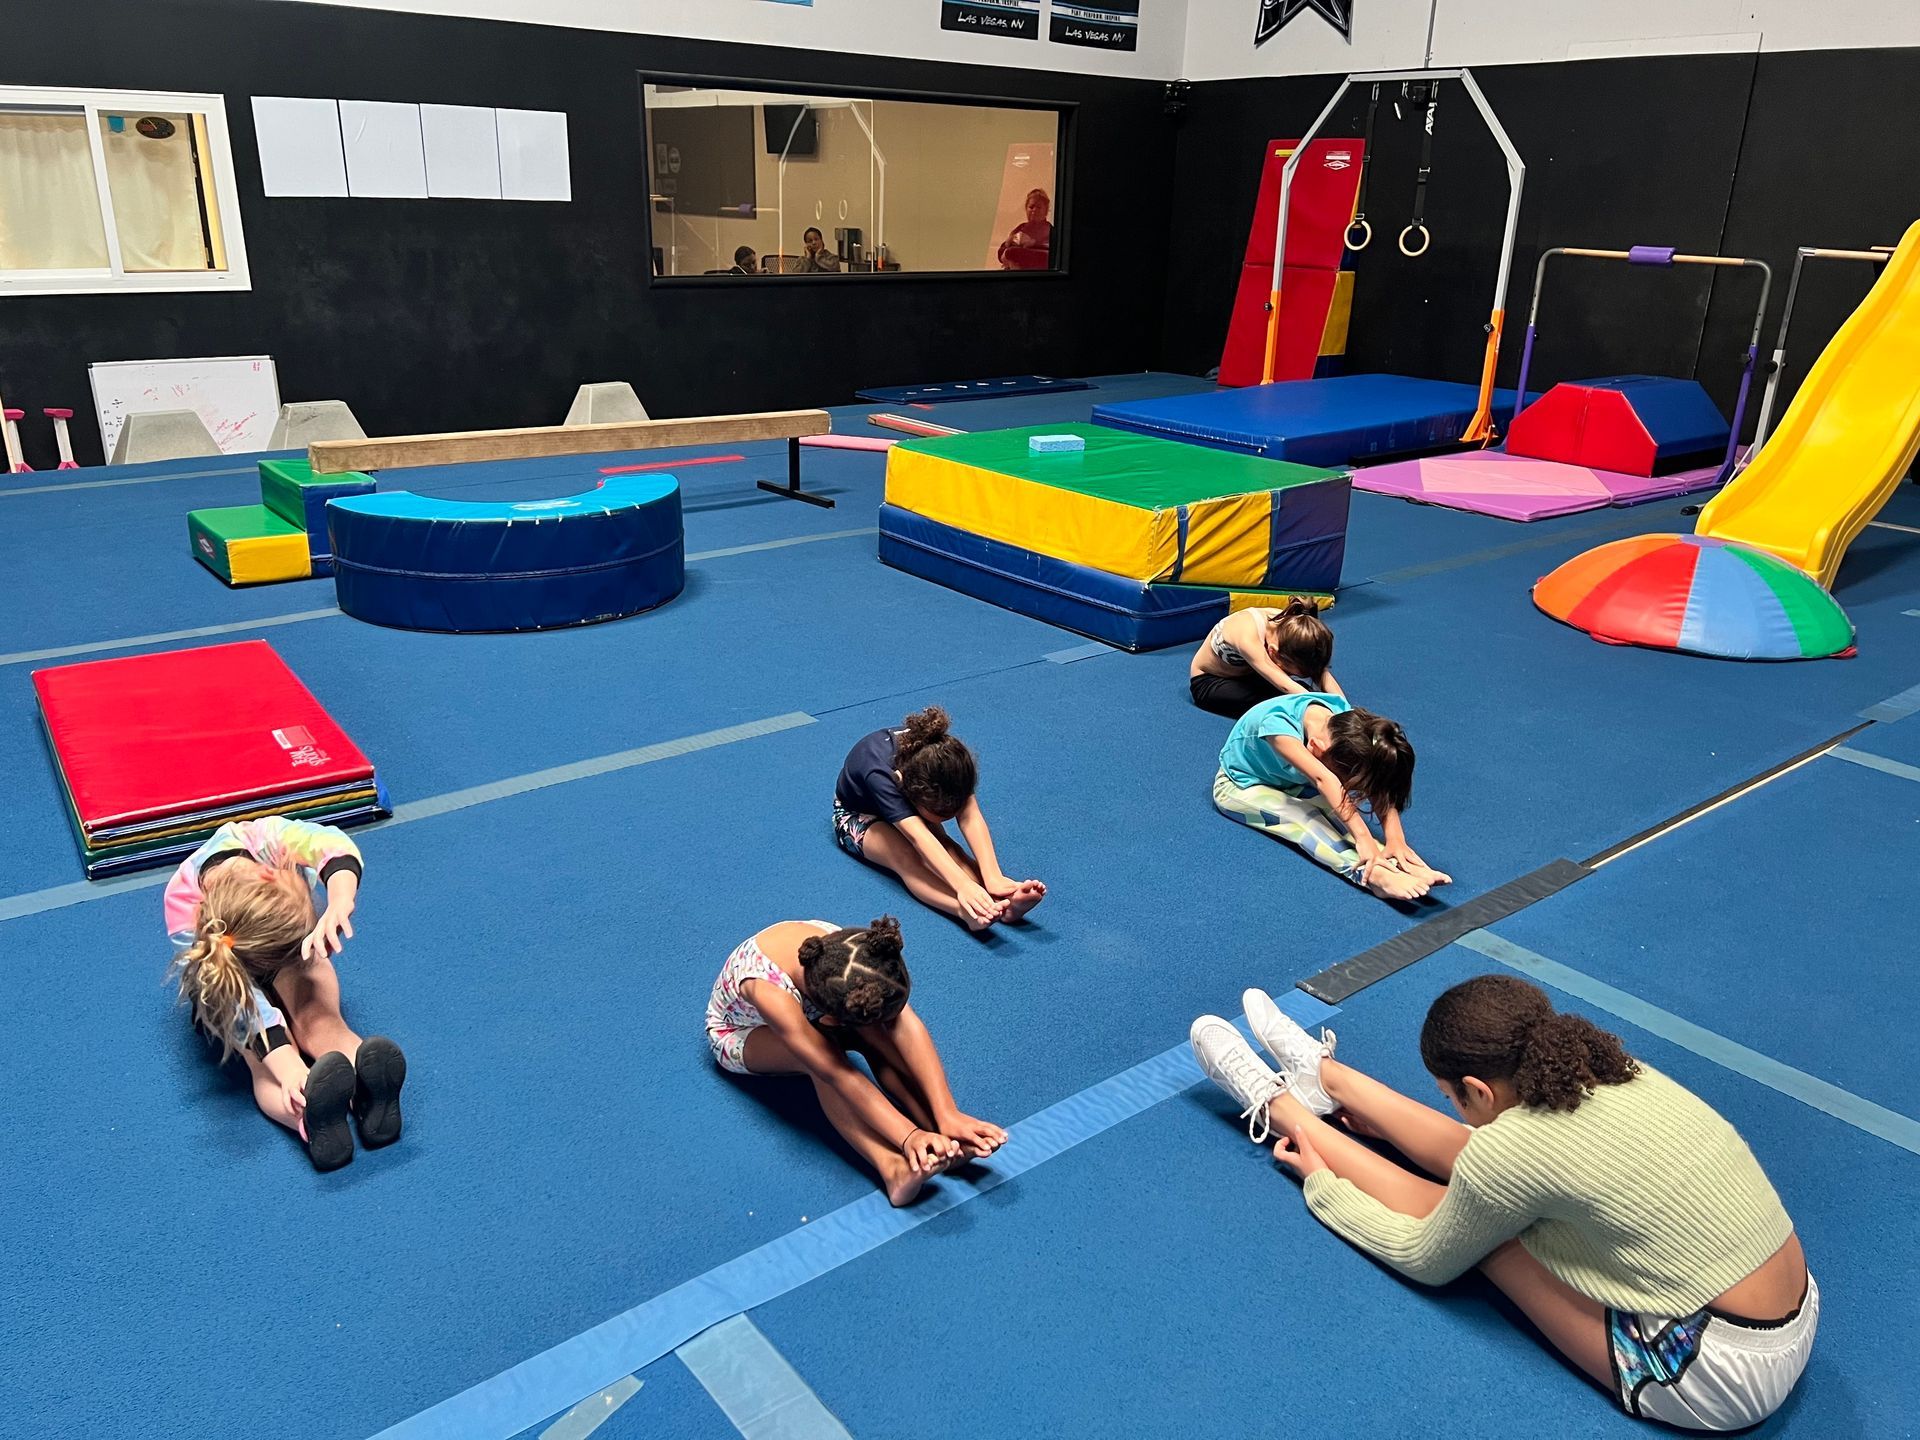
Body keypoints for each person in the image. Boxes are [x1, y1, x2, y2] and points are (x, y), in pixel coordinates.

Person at [1189, 975, 1816, 1431]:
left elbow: (1427, 1255)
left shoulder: (1511, 1148)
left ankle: (1286, 1111)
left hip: (1717, 1372)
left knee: (1493, 1238)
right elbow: (1512, 1155)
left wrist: (1323, 1185)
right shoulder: (1614, 1066)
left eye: (1447, 1094)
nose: (1448, 1104)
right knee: (1498, 1168)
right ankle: (1330, 1079)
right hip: (1796, 1308)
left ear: (1474, 1087)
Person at [706, 916, 1006, 1205]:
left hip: (812, 1009)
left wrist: (947, 1112)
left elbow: (905, 1024)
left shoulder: (849, 951)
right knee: (820, 1061)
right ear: (831, 1015)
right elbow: (839, 1074)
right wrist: (908, 1137)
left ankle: (940, 1133)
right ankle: (892, 1168)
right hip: (742, 1033)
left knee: (875, 1033)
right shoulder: (768, 991)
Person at [165, 816, 406, 1172]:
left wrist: (340, 899)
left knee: (320, 1021)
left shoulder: (264, 839)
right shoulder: (187, 912)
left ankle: (366, 1091)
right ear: (270, 872)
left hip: (287, 952)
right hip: (228, 979)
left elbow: (331, 845)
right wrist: (290, 1067)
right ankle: (306, 1118)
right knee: (266, 1069)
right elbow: (246, 1010)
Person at [1214, 691, 1447, 900]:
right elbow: (1324, 780)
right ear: (1314, 748)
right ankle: (1372, 875)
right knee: (1303, 818)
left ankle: (1394, 863)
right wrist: (1363, 838)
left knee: (1340, 814)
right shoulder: (1278, 726)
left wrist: (1396, 839)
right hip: (1240, 786)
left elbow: (1376, 781)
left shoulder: (1350, 725)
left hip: (1294, 784)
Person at [834, 705, 1045, 931]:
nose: (949, 818)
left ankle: (1003, 902)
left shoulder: (947, 758)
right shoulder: (879, 774)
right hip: (857, 814)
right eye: (942, 815)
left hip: (914, 794)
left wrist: (993, 875)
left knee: (948, 848)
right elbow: (919, 838)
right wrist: (962, 886)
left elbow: (971, 816)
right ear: (910, 794)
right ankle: (965, 912)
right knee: (906, 857)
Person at [1189, 596, 1342, 719]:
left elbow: (1320, 671)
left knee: (1305, 695)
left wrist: (1344, 709)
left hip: (1249, 674)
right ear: (1273, 652)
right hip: (1210, 682)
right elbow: (1285, 685)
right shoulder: (1248, 637)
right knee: (1282, 705)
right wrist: (1327, 715)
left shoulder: (1292, 624)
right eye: (1295, 672)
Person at [997, 189, 1053, 270]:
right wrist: (1008, 243)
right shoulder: (1021, 228)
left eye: (1039, 207)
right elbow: (1000, 253)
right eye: (1031, 207)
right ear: (1026, 209)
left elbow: (1049, 257)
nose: (1034, 210)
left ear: (1046, 211)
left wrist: (1033, 244)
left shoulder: (1051, 231)